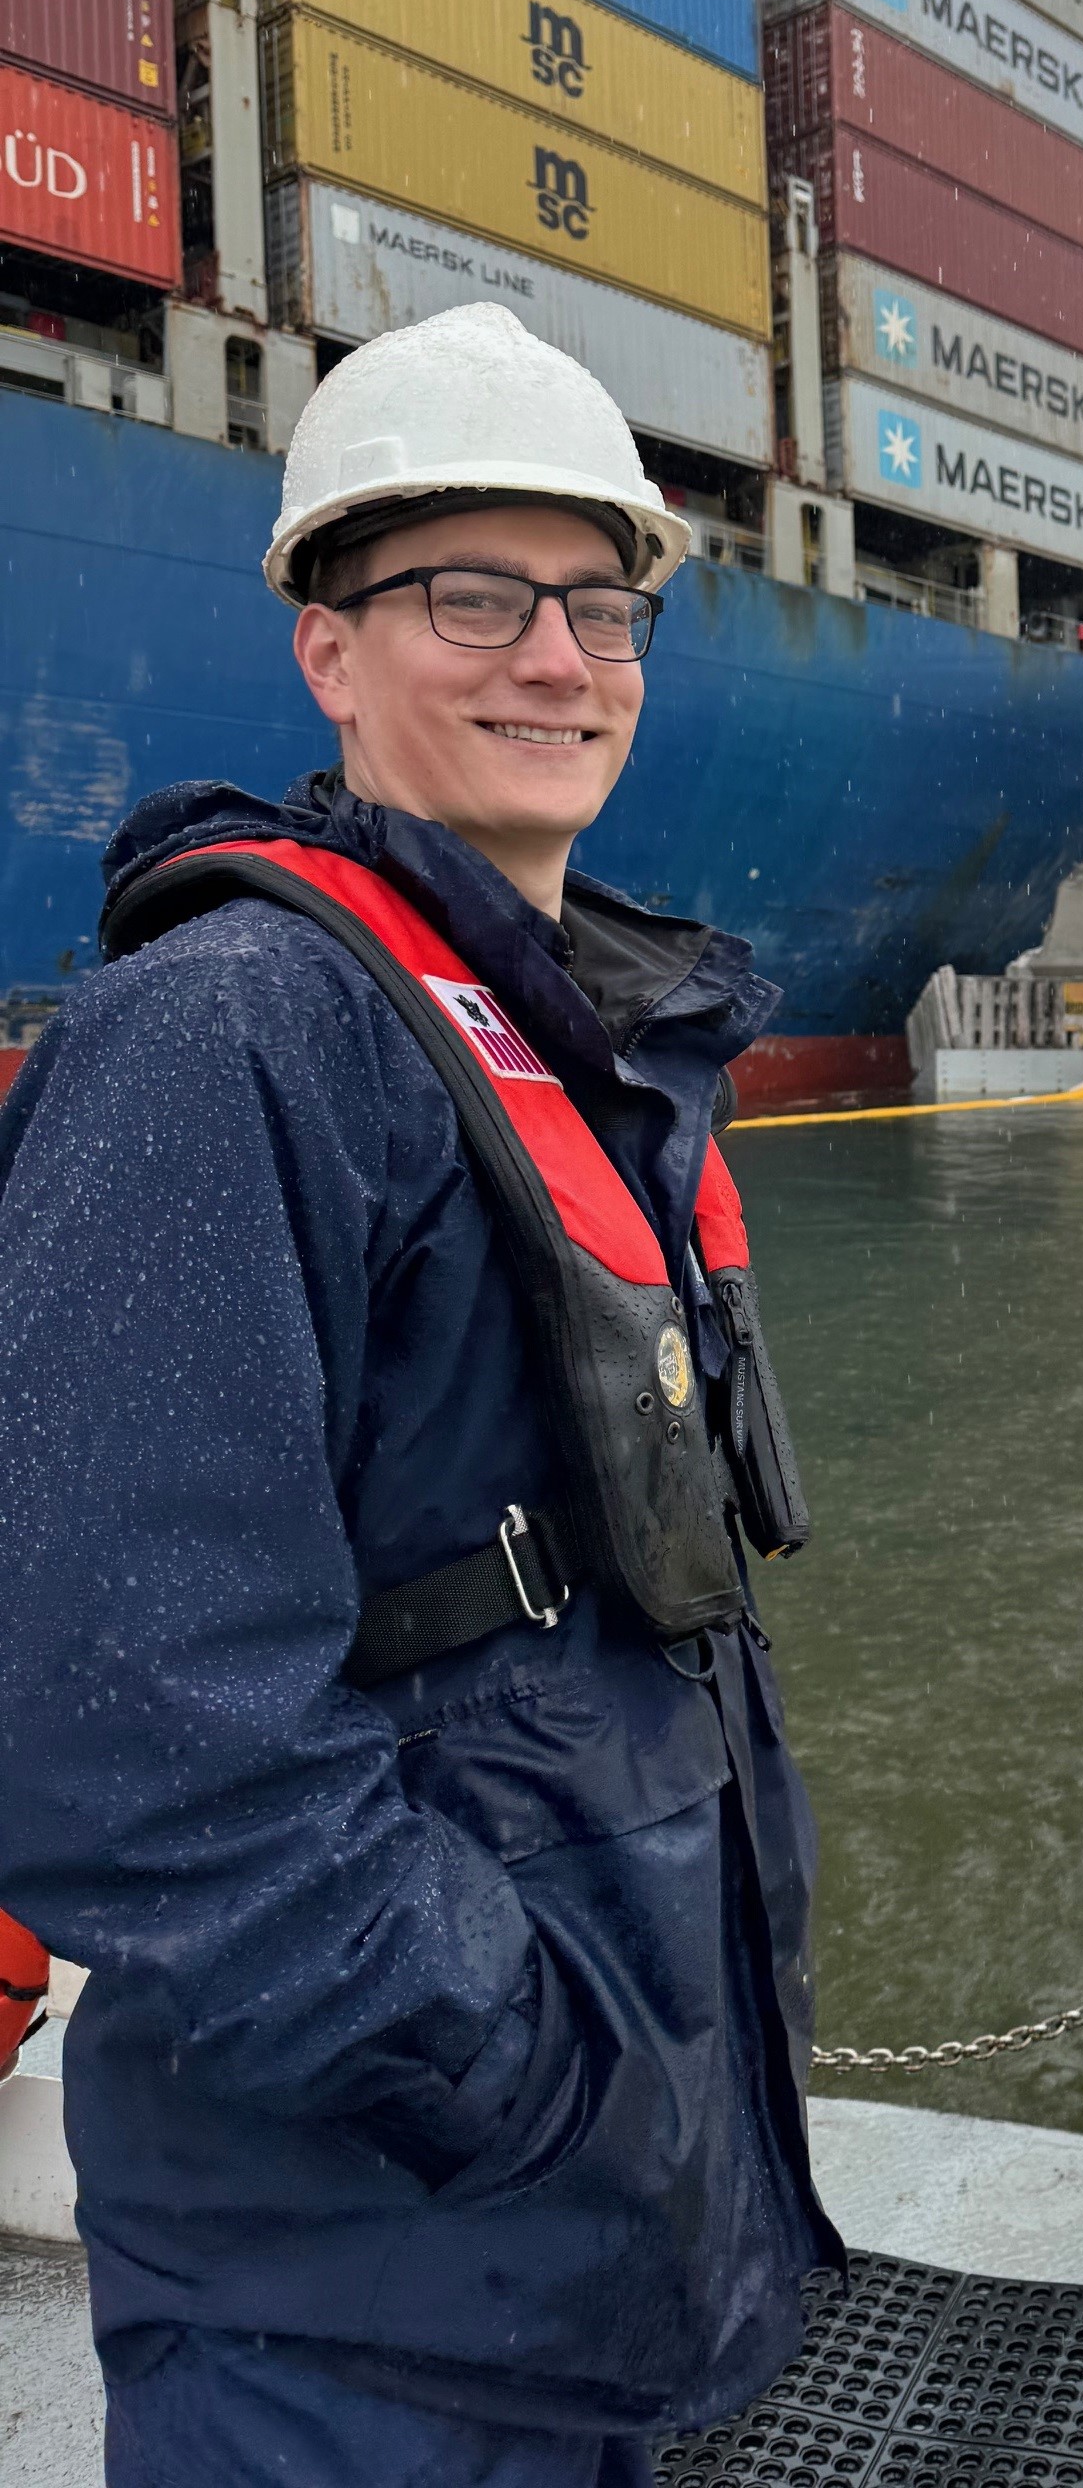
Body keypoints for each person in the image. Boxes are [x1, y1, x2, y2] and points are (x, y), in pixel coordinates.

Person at [0, 304, 839, 2487]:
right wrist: (527, 2073)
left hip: (582, 2269)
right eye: (471, 595)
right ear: (326, 652)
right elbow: (125, 1728)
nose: (556, 659)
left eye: (599, 603)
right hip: (356, 2322)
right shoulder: (230, 1041)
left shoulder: (591, 1044)